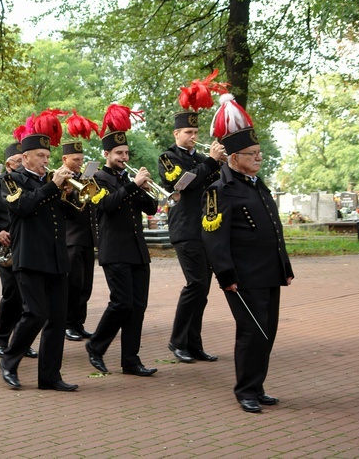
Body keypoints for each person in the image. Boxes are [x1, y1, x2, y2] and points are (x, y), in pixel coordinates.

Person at [201, 94, 294, 413]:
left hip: (268, 272)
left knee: (266, 332)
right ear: (234, 157)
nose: (259, 158)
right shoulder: (220, 190)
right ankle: (245, 391)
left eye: (260, 153)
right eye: (252, 154)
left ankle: (257, 385)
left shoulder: (257, 184)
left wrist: (285, 264)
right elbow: (213, 238)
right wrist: (226, 276)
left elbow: (273, 226)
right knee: (251, 331)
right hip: (242, 277)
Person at [0, 131, 80, 392]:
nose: (46, 160)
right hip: (30, 257)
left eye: (47, 156)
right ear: (25, 157)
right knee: (35, 313)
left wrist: (71, 193)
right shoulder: (12, 180)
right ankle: (9, 361)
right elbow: (22, 206)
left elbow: (71, 215)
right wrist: (53, 187)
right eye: (40, 156)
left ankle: (49, 376)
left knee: (57, 318)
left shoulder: (51, 182)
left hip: (56, 258)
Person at [85, 104, 159, 377]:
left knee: (138, 306)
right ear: (106, 154)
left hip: (138, 251)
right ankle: (96, 345)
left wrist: (144, 190)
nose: (123, 157)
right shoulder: (94, 179)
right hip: (114, 250)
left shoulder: (128, 179)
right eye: (119, 153)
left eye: (126, 153)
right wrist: (132, 186)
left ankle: (131, 360)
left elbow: (151, 210)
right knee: (122, 303)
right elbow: (107, 205)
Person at [158, 110, 225, 363]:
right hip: (185, 229)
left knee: (203, 289)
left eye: (196, 132)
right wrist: (210, 162)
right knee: (195, 284)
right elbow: (181, 183)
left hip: (206, 228)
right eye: (188, 132)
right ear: (176, 133)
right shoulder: (167, 157)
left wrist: (221, 164)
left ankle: (194, 344)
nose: (193, 137)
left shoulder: (201, 158)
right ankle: (177, 341)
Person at [0, 142, 37, 359]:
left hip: (28, 246)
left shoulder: (32, 183)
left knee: (28, 297)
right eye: (19, 161)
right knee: (12, 293)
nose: (23, 164)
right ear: (9, 164)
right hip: (6, 248)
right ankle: (1, 339)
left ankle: (22, 341)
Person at [61, 140, 98, 342]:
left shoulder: (84, 178)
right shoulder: (60, 177)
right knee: (72, 284)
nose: (79, 163)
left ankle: (78, 323)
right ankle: (67, 324)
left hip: (86, 237)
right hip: (70, 238)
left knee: (85, 284)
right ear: (65, 159)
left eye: (82, 160)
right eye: (75, 160)